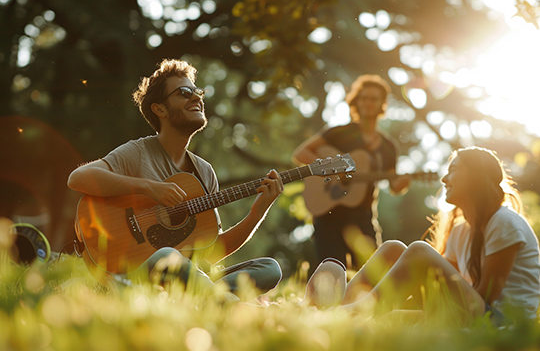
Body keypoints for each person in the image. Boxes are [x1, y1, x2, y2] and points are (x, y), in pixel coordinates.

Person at [67, 59, 284, 301]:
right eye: (184, 93)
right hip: (136, 272)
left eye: (197, 92)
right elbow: (79, 178)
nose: (196, 98)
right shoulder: (139, 152)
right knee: (165, 256)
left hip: (184, 275)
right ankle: (220, 300)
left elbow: (211, 250)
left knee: (269, 269)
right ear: (160, 109)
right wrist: (149, 187)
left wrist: (257, 214)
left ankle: (210, 298)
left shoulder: (204, 172)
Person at [302, 147, 540, 324]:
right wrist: (402, 302)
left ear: (476, 176)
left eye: (453, 171)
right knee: (393, 248)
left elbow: (486, 296)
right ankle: (343, 307)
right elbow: (438, 282)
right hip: (473, 308)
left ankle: (352, 312)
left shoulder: (504, 222)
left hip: (500, 321)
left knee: (418, 252)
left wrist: (409, 302)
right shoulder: (461, 230)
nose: (444, 179)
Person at [292, 75, 410, 268]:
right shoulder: (339, 133)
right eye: (364, 98)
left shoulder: (388, 147)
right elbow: (301, 153)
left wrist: (402, 184)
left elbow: (394, 185)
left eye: (374, 98)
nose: (368, 103)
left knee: (372, 273)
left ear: (382, 104)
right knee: (331, 274)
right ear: (356, 101)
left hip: (363, 216)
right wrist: (331, 170)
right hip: (328, 214)